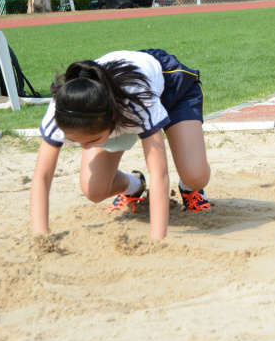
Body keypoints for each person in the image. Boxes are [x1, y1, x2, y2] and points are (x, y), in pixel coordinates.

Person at [30, 49, 211, 241]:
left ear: (112, 121)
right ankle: (134, 185)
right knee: (94, 191)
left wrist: (157, 241)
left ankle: (190, 189)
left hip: (171, 87)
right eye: (75, 141)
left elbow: (159, 173)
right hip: (109, 103)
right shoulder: (61, 110)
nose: (84, 148)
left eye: (91, 141)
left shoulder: (138, 100)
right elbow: (42, 176)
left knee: (195, 176)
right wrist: (41, 237)